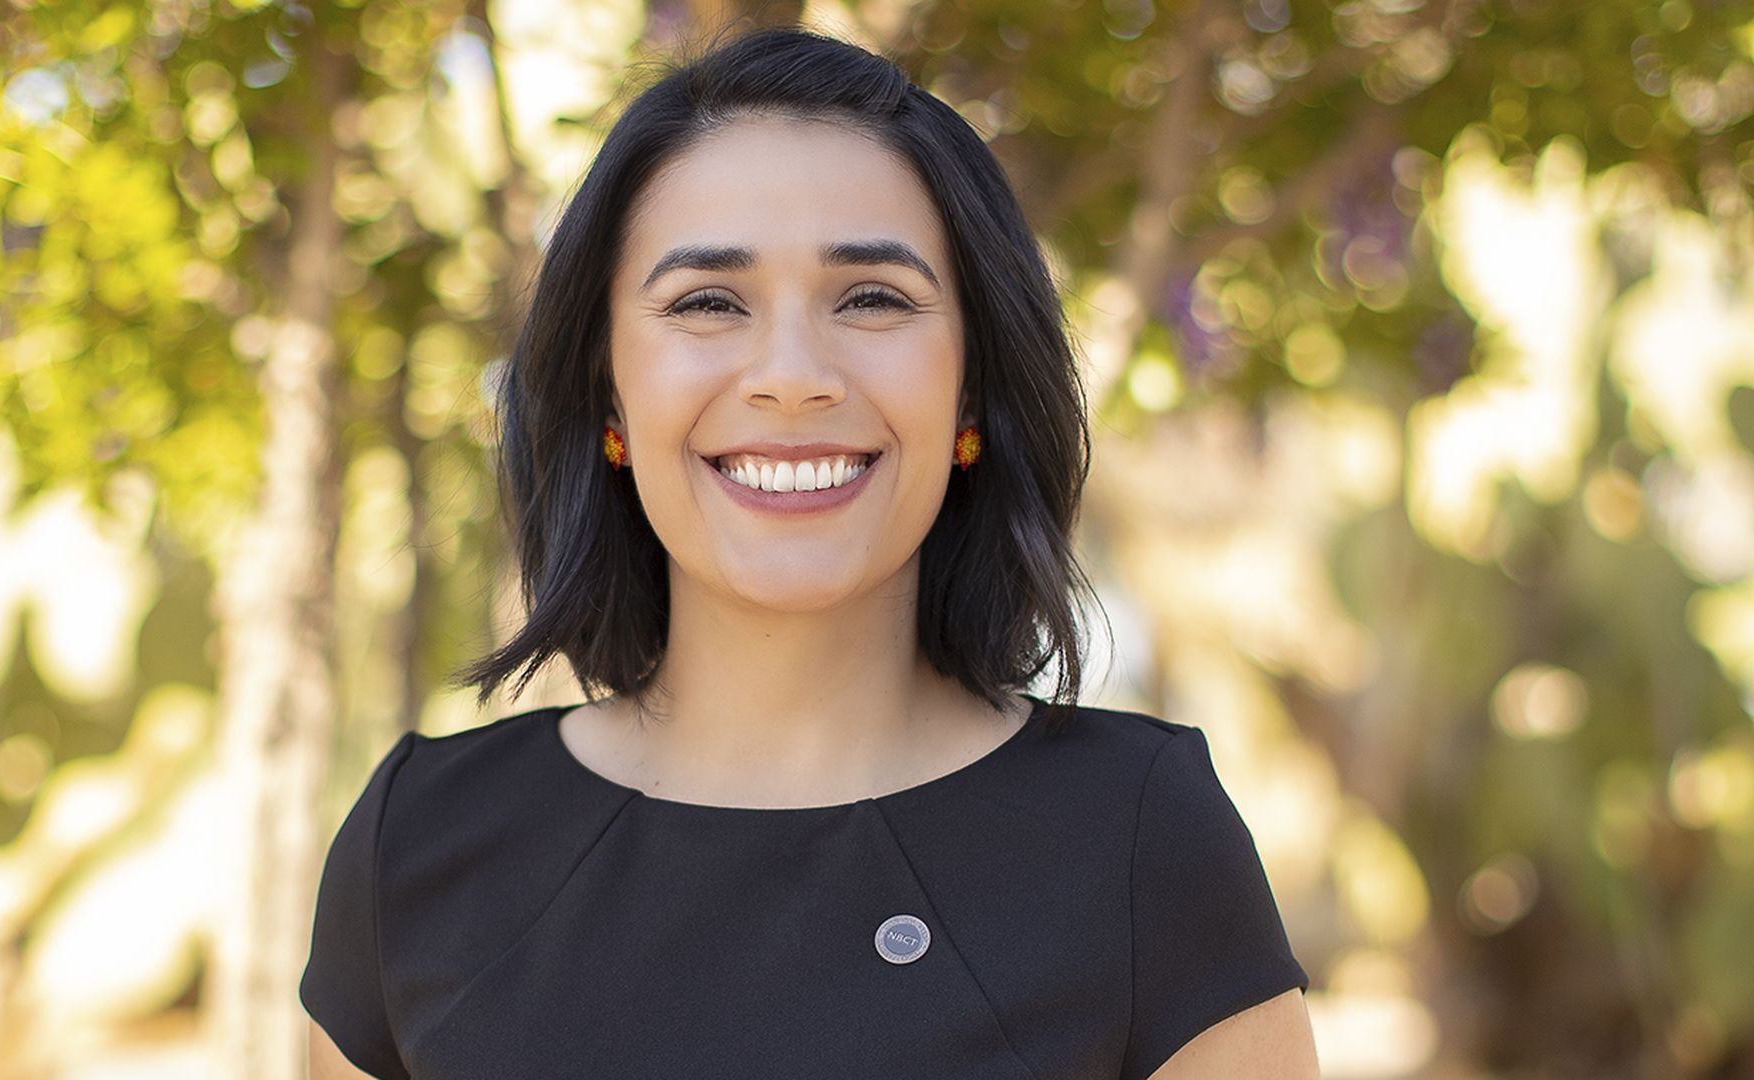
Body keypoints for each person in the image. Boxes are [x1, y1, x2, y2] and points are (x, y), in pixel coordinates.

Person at [301, 26, 1316, 1080]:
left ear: (970, 388)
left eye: (871, 298)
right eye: (707, 302)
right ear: (608, 392)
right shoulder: (417, 846)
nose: (792, 376)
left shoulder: (1144, 841)